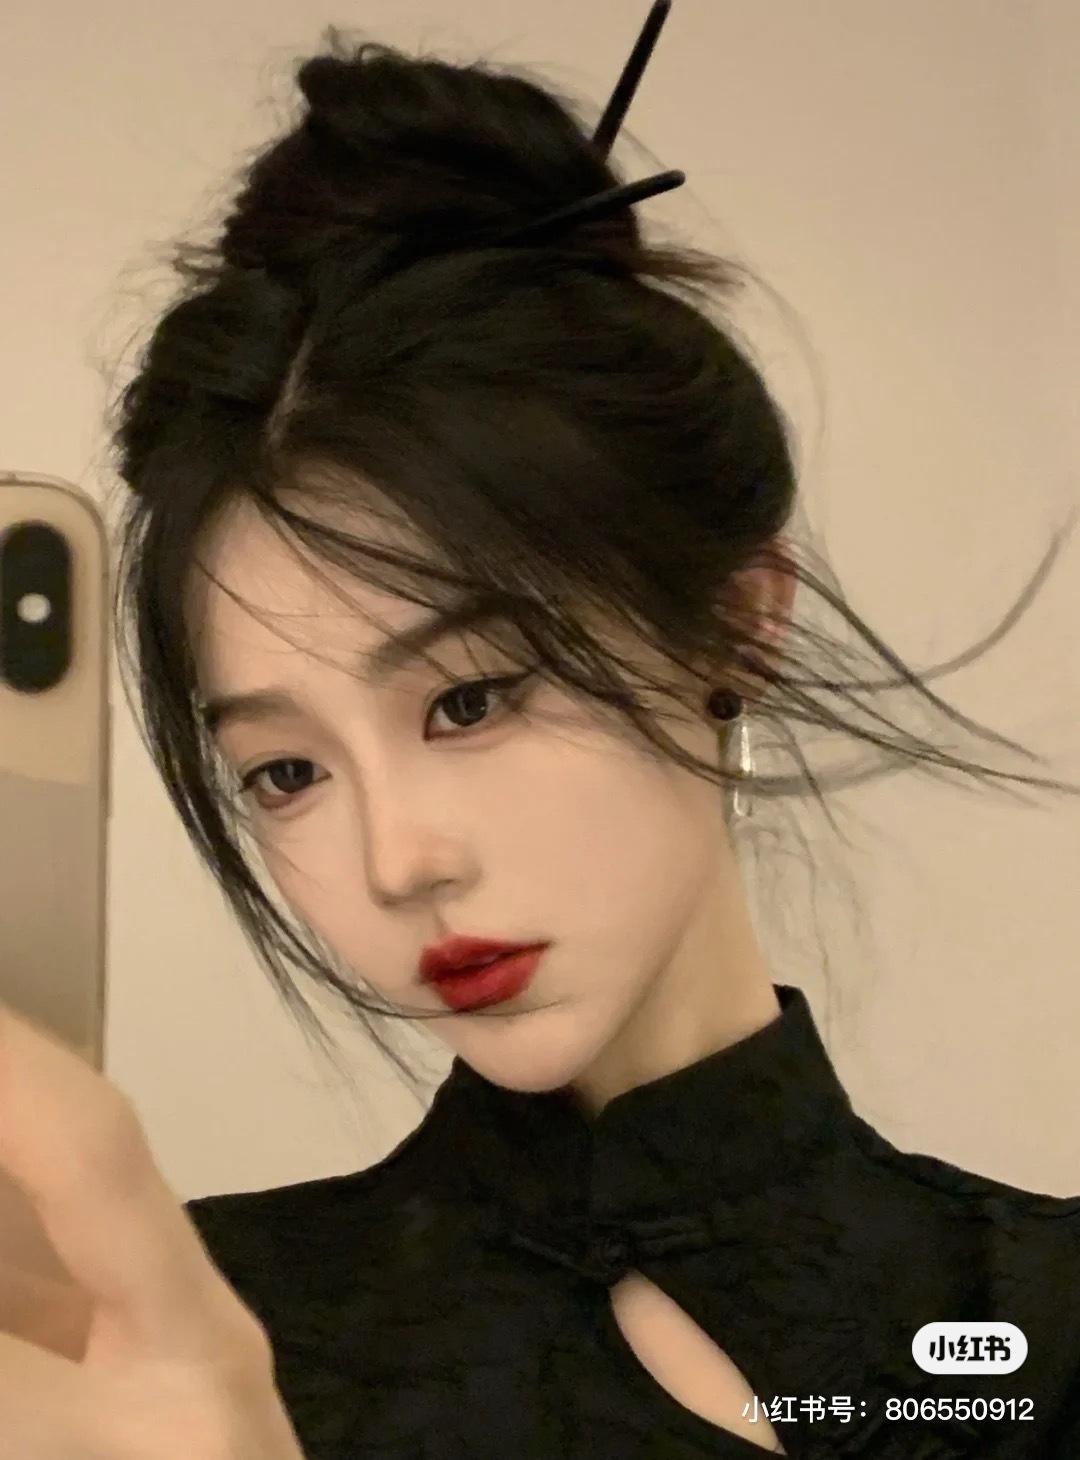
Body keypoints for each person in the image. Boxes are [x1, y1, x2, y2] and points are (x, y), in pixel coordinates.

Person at [104, 5, 1080, 1456]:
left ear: (734, 625)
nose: (397, 863)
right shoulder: (197, 1358)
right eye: (286, 772)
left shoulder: (1037, 1329)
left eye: (471, 698)